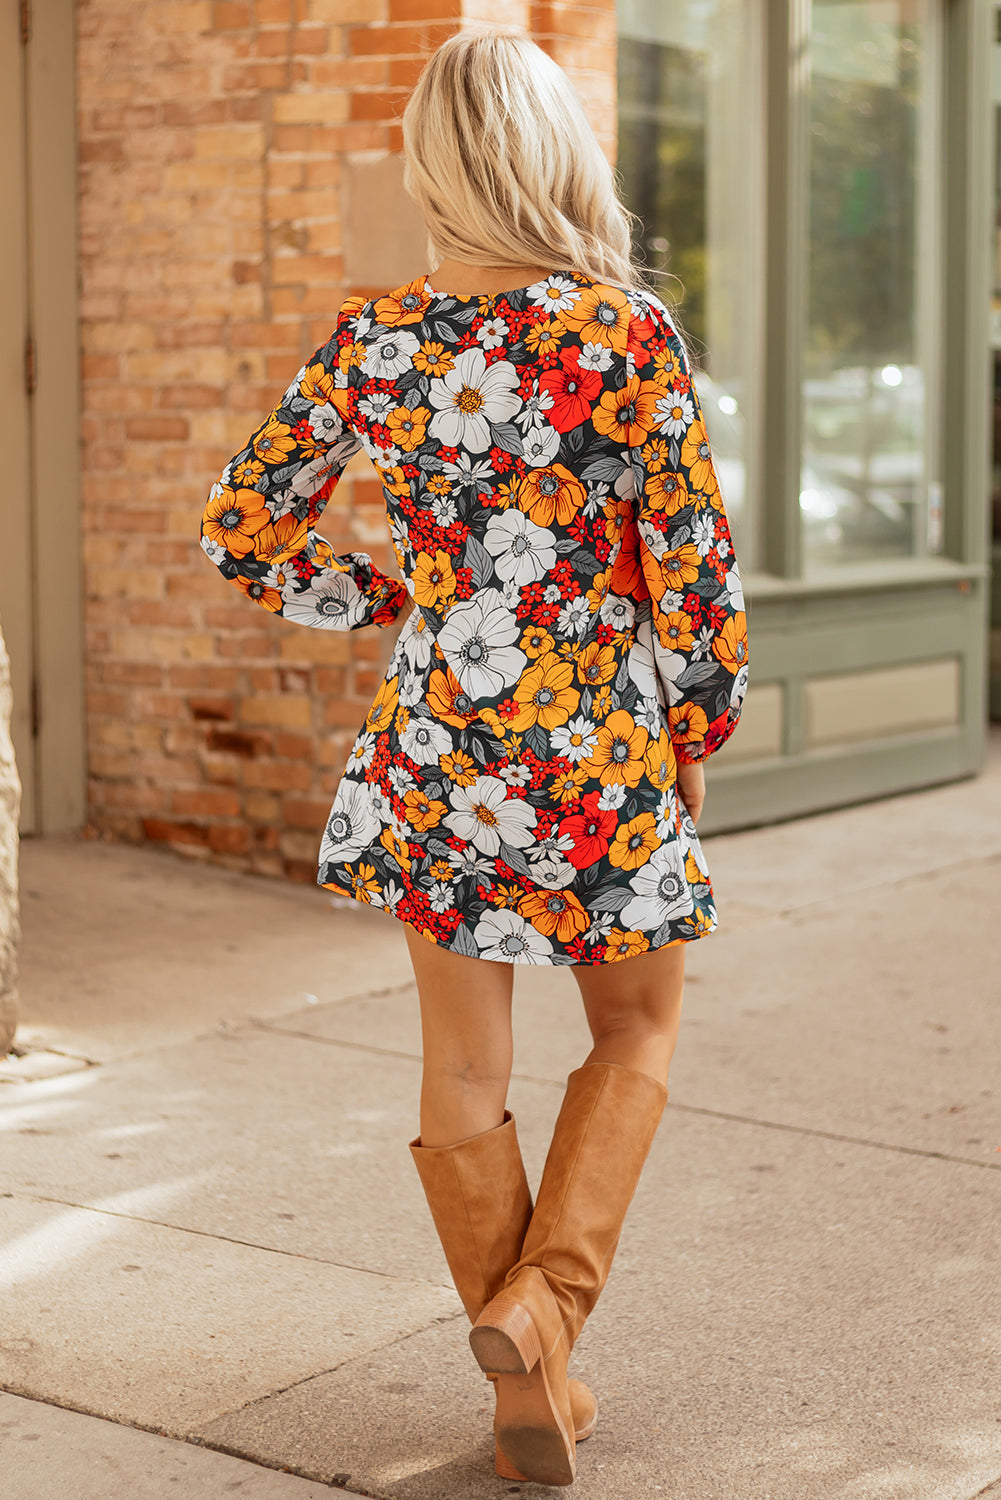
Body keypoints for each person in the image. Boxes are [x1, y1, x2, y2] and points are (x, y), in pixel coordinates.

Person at [201, 30, 748, 1488]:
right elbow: (689, 568)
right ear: (556, 151)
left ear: (432, 167)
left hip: (437, 744)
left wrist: (398, 605)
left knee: (462, 1063)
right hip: (594, 743)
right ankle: (544, 1313)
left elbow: (242, 528)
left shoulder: (374, 340)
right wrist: (695, 729)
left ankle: (529, 1377)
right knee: (632, 1032)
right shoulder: (620, 335)